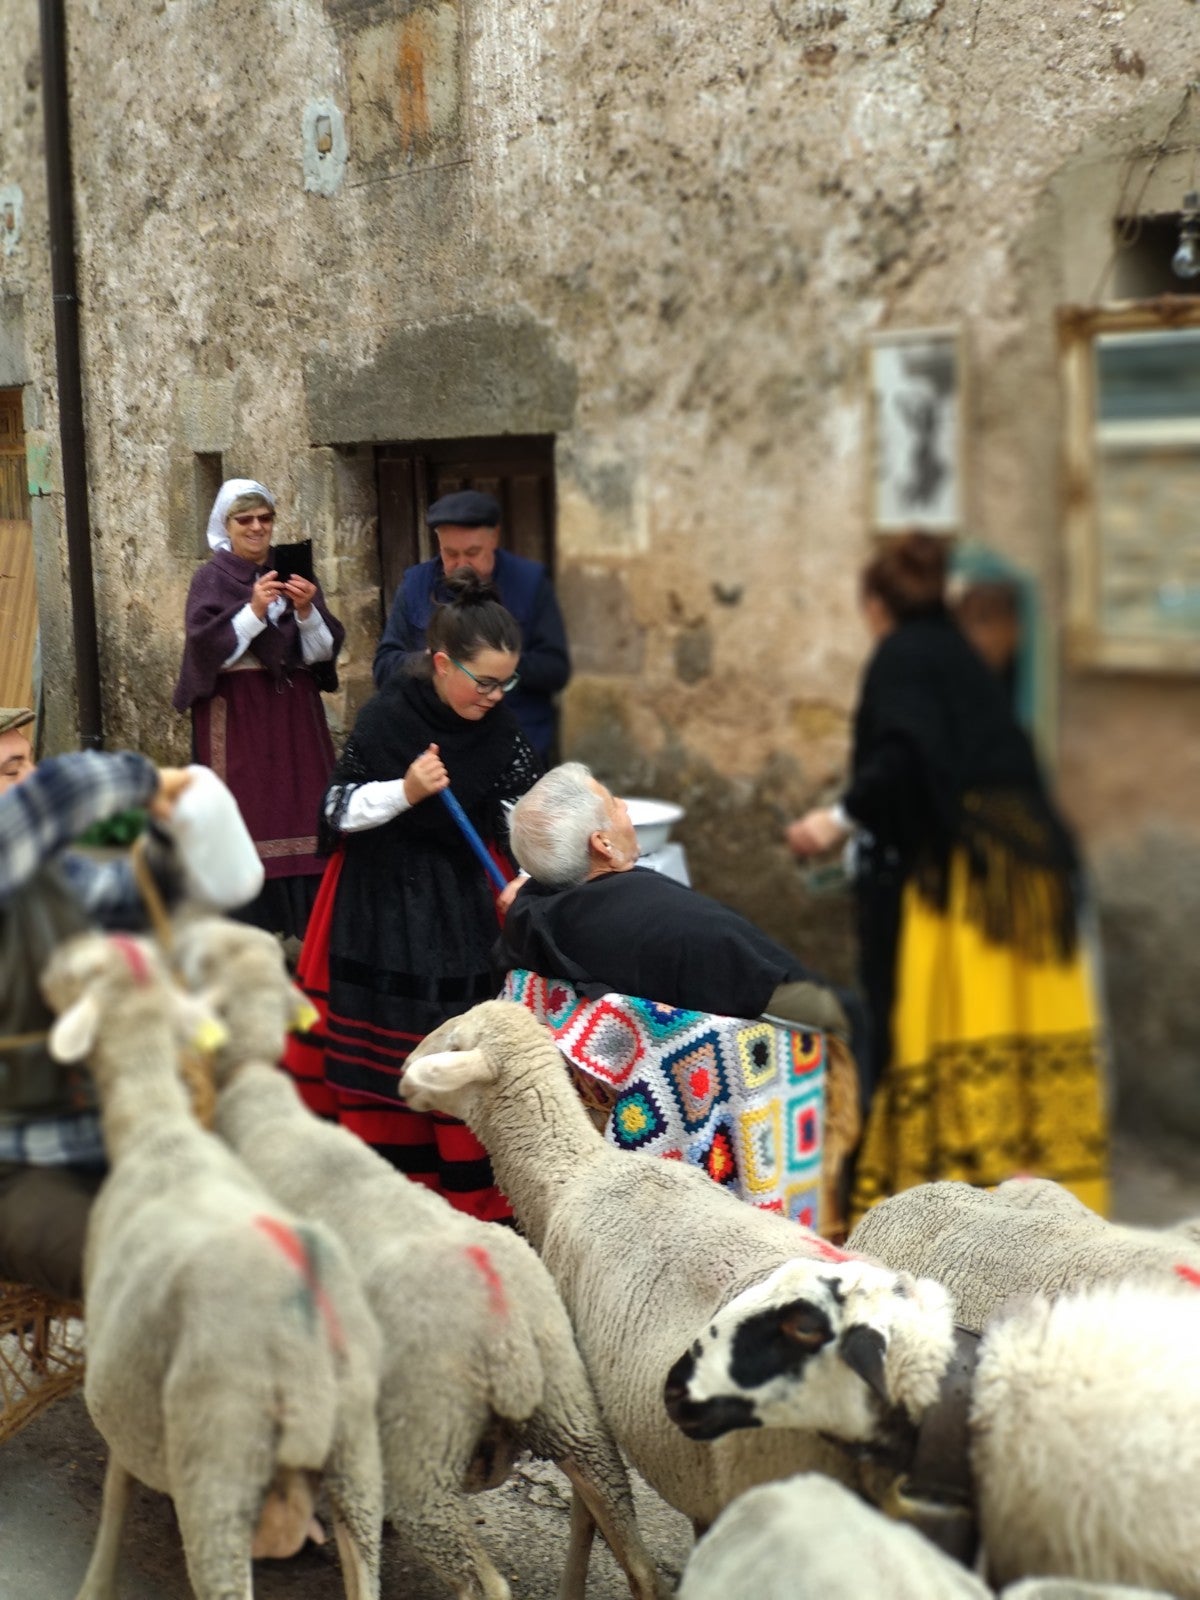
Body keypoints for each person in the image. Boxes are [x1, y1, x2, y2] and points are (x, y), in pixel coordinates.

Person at [785, 532, 1108, 1221]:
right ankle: (1038, 1204)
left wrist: (834, 821)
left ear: (876, 604)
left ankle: (955, 1208)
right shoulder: (956, 653)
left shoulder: (902, 654)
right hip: (1023, 874)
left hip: (971, 882)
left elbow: (906, 754)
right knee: (1017, 1044)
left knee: (956, 1033)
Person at [286, 570, 540, 1222]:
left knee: (463, 1058)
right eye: (483, 681)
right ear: (440, 664)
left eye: (506, 682)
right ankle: (389, 1208)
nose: (495, 696)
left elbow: (518, 805)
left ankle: (475, 1212)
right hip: (383, 909)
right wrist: (405, 791)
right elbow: (337, 809)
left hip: (465, 909)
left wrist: (527, 872)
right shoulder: (387, 717)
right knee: (390, 1065)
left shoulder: (500, 729)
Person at [0, 727, 196, 1299]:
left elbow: (130, 895)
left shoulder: (52, 871)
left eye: (31, 762)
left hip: (106, 1140)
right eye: (11, 771)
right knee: (149, 1277)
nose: (30, 778)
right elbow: (48, 802)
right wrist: (144, 779)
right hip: (15, 1176)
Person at [495, 761, 851, 1035]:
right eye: (613, 804)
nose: (623, 805)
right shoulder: (677, 923)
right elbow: (784, 997)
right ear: (602, 844)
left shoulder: (534, 913)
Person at [173, 478, 345, 943]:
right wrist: (252, 610)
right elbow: (207, 651)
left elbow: (320, 653)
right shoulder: (210, 579)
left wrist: (307, 611)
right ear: (226, 526)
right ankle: (247, 928)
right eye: (244, 520)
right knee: (245, 811)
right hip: (239, 713)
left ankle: (310, 929)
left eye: (264, 519)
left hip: (292, 712)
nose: (256, 528)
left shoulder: (292, 574)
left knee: (302, 803)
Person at [373, 489, 570, 763]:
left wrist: (492, 670)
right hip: (436, 748)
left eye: (473, 552)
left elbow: (556, 668)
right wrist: (434, 664)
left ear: (494, 539)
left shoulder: (530, 582)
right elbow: (384, 666)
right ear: (438, 544)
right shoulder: (415, 584)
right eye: (450, 553)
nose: (461, 563)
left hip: (519, 743)